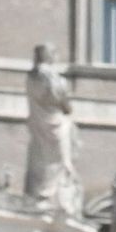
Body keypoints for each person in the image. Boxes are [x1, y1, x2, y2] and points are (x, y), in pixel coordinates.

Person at [24, 43, 82, 215]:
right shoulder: (48, 75)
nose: (57, 57)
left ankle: (43, 193)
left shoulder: (32, 75)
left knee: (41, 156)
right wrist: (67, 105)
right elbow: (58, 96)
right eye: (55, 53)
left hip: (39, 120)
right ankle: (47, 195)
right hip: (53, 120)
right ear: (49, 55)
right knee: (57, 158)